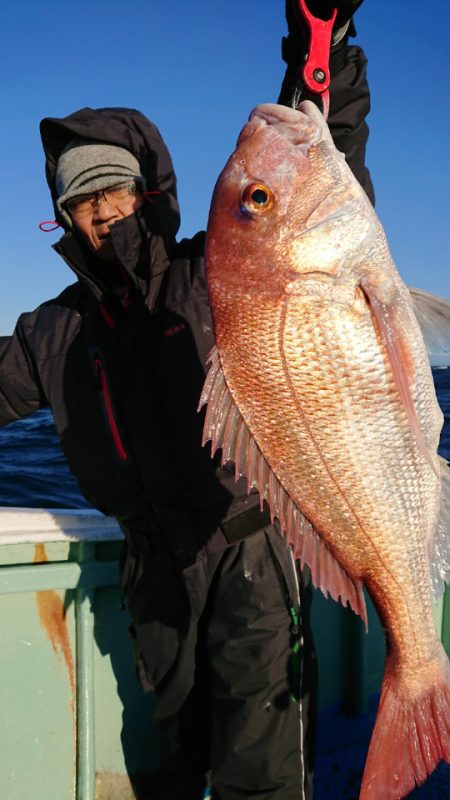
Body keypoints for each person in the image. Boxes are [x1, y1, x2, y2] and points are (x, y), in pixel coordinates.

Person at [0, 2, 373, 798]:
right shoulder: (50, 332)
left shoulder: (220, 270)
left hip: (245, 552)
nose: (100, 213)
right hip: (153, 575)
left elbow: (302, 176)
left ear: (150, 191)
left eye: (114, 191)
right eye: (80, 200)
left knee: (262, 772)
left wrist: (323, 45)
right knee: (173, 759)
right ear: (62, 217)